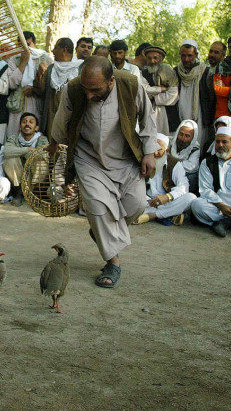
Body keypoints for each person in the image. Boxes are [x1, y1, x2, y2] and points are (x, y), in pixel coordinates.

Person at [49, 56, 158, 288]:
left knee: (137, 204)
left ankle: (101, 233)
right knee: (98, 208)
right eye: (86, 89)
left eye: (95, 90)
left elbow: (147, 119)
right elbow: (61, 120)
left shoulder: (130, 84)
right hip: (88, 158)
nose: (89, 95)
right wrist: (55, 143)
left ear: (111, 81)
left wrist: (149, 152)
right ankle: (112, 263)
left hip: (126, 157)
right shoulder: (74, 89)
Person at [134, 133, 196, 226]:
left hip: (167, 201)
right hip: (147, 202)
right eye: (153, 148)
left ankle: (152, 216)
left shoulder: (173, 163)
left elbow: (184, 186)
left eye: (159, 149)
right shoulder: (143, 160)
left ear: (166, 150)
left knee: (191, 198)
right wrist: (147, 200)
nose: (155, 153)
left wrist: (168, 197)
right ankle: (169, 215)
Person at [32, 37, 81, 137]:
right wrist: (40, 74)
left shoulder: (80, 68)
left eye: (55, 48)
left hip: (72, 116)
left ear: (64, 50)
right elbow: (40, 91)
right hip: (52, 118)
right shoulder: (50, 69)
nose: (53, 51)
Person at [6, 31, 51, 136]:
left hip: (36, 104)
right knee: (14, 135)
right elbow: (12, 83)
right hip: (17, 105)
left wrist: (34, 89)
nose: (27, 49)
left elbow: (49, 85)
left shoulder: (45, 58)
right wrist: (23, 63)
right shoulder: (14, 59)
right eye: (22, 46)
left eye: (29, 45)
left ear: (34, 43)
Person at [3, 112, 49, 206]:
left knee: (41, 161)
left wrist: (22, 153)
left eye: (31, 122)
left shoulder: (42, 139)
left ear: (36, 128)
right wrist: (27, 149)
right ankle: (19, 191)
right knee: (10, 160)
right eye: (24, 122)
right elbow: (6, 151)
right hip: (19, 178)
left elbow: (44, 155)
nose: (27, 124)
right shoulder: (14, 138)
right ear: (20, 127)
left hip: (33, 178)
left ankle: (35, 193)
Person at [174, 40, 207, 145]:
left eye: (190, 56)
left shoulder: (205, 71)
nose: (186, 59)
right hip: (180, 113)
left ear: (196, 55)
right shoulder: (175, 71)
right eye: (183, 56)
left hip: (199, 114)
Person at [141, 45, 179, 135]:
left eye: (155, 58)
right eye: (149, 58)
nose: (152, 61)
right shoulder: (143, 73)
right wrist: (159, 90)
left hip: (168, 114)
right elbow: (142, 90)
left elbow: (173, 94)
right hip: (149, 113)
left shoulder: (168, 71)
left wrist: (154, 98)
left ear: (161, 59)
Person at [199, 41, 225, 140]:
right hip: (206, 118)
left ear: (223, 55)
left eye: (216, 52)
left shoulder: (226, 72)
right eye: (211, 51)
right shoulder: (204, 71)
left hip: (221, 117)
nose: (212, 55)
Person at [169, 119, 201, 194]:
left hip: (182, 175)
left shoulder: (195, 148)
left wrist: (171, 162)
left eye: (187, 136)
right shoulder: (169, 141)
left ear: (193, 138)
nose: (183, 139)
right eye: (181, 134)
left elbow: (191, 166)